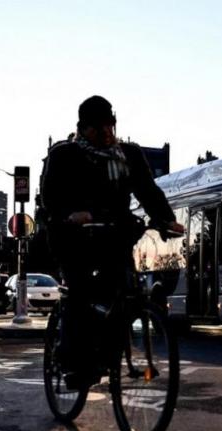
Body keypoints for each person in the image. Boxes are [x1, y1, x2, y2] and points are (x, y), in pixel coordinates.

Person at [40, 95, 184, 388]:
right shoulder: (65, 154)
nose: (108, 133)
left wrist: (166, 220)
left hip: (114, 236)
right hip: (75, 238)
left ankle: (107, 352)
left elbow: (147, 189)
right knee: (80, 292)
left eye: (111, 125)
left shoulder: (128, 155)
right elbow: (50, 196)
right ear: (83, 128)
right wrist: (70, 214)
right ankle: (72, 363)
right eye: (99, 128)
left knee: (122, 290)